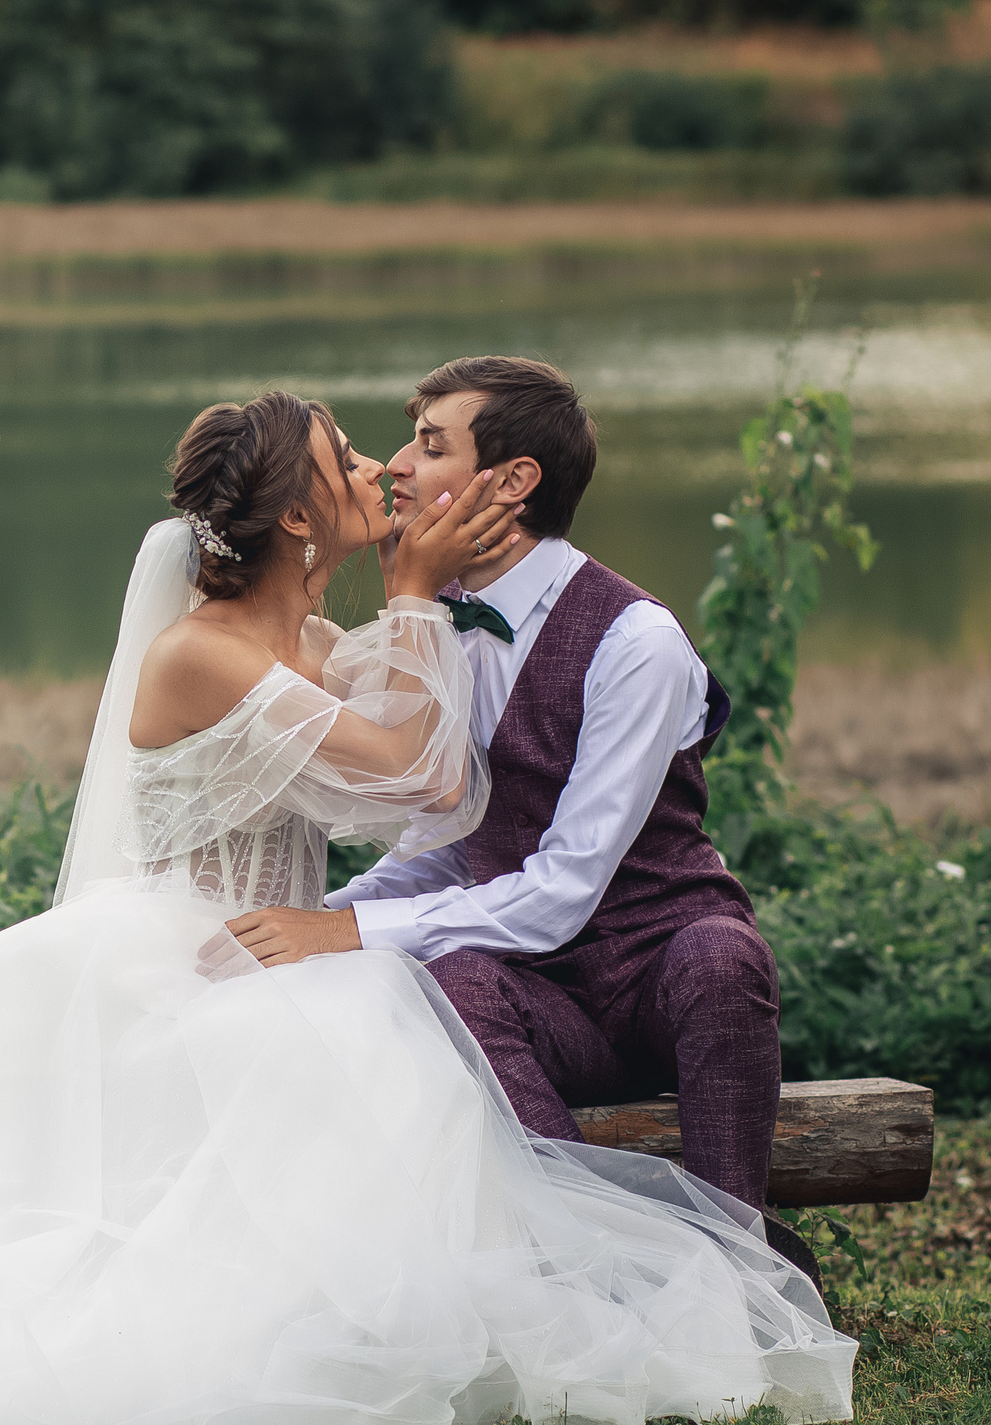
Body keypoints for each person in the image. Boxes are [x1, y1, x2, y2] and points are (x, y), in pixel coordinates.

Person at [0, 389, 852, 1425]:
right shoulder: (202, 651)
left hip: (283, 945)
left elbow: (431, 807)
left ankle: (630, 1293)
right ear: (296, 515)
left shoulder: (318, 645)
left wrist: (402, 629)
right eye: (347, 457)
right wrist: (421, 598)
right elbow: (431, 775)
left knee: (411, 1089)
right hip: (192, 952)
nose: (378, 468)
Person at [221, 357, 812, 1277]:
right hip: (548, 997)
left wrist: (345, 929)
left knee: (721, 957)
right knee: (455, 981)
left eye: (429, 445)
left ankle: (740, 1259)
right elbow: (443, 842)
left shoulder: (635, 641)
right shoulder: (442, 622)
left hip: (662, 969)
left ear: (512, 480)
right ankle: (593, 1259)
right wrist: (302, 926)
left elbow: (564, 888)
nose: (396, 469)